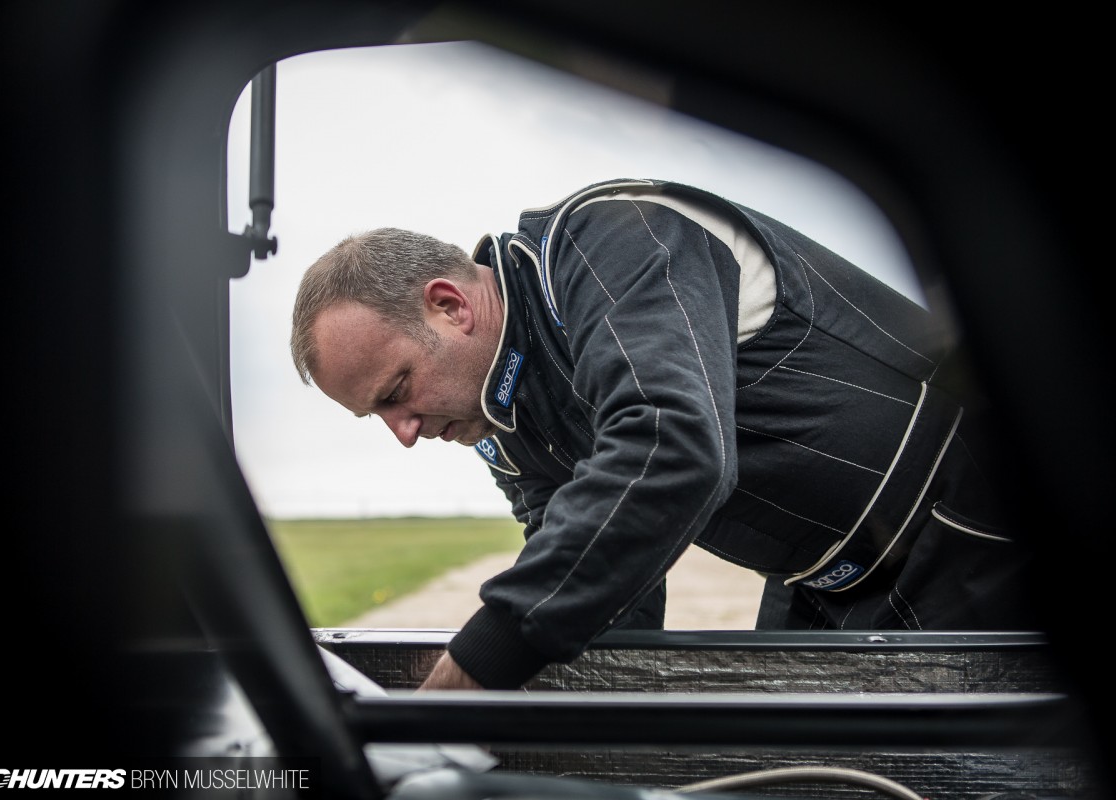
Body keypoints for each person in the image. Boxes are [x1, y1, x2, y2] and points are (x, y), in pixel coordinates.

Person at [290, 178, 1037, 691]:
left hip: (963, 524)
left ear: (450, 305)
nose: (406, 433)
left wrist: (479, 665)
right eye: (378, 418)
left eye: (396, 391)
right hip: (821, 579)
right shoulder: (500, 412)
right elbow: (610, 572)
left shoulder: (610, 240)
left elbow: (668, 446)